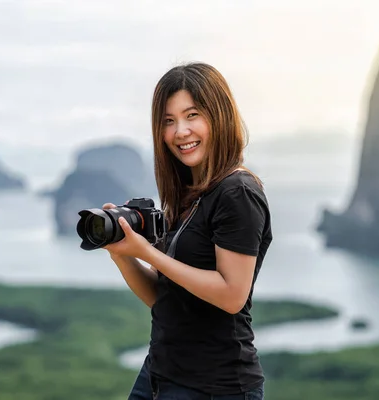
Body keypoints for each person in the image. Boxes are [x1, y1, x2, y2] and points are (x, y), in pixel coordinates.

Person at [102, 62, 272, 400]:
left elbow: (231, 295)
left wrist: (148, 253)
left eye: (192, 115)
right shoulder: (188, 194)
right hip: (159, 374)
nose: (180, 131)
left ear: (219, 116)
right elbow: (162, 298)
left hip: (213, 387)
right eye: (168, 120)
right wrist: (121, 253)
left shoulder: (236, 192)